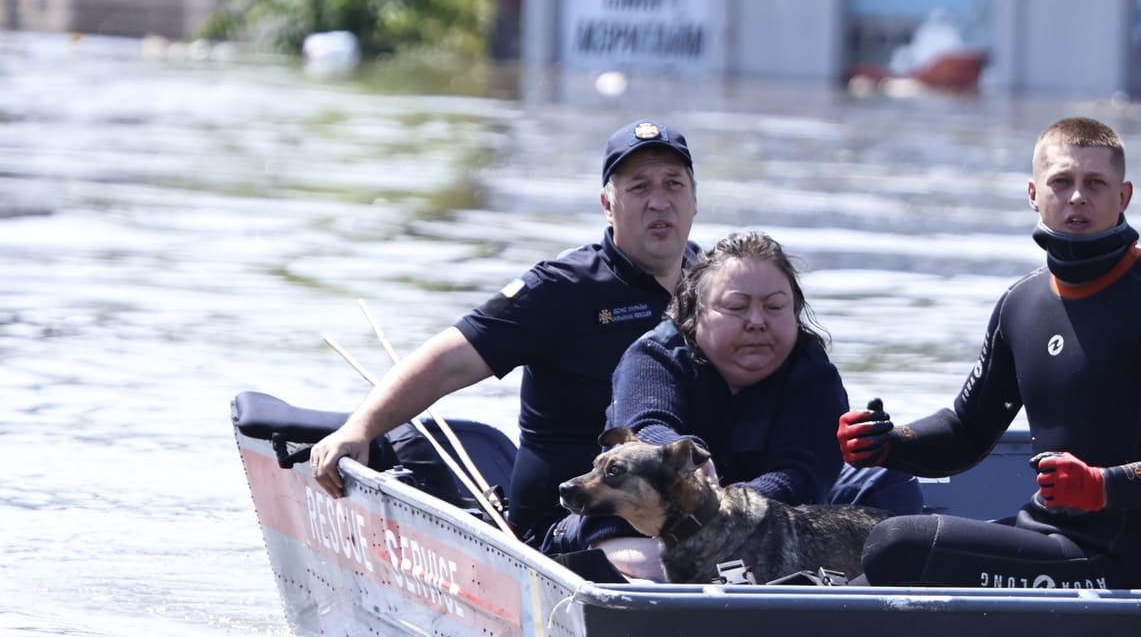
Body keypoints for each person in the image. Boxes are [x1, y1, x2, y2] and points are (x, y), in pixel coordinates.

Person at [836, 116, 1141, 590]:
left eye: (1095, 183)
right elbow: (967, 432)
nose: (1077, 197)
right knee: (858, 573)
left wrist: (1101, 485)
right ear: (1033, 194)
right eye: (1062, 182)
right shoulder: (1022, 303)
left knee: (897, 544)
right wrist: (888, 443)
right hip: (1041, 537)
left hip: (1116, 565)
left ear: (1124, 196)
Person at [309, 118, 699, 550]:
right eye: (639, 188)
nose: (659, 202)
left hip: (681, 515)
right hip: (566, 520)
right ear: (608, 205)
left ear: (694, 201)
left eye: (673, 185)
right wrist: (360, 429)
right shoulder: (561, 288)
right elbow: (447, 363)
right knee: (646, 559)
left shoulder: (719, 287)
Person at [562, 231, 921, 579]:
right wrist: (684, 459)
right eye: (736, 306)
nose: (757, 322)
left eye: (775, 307)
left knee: (887, 477)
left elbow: (799, 477)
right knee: (649, 566)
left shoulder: (814, 376)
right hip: (642, 516)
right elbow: (646, 423)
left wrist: (719, 510)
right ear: (695, 314)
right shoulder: (653, 355)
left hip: (768, 524)